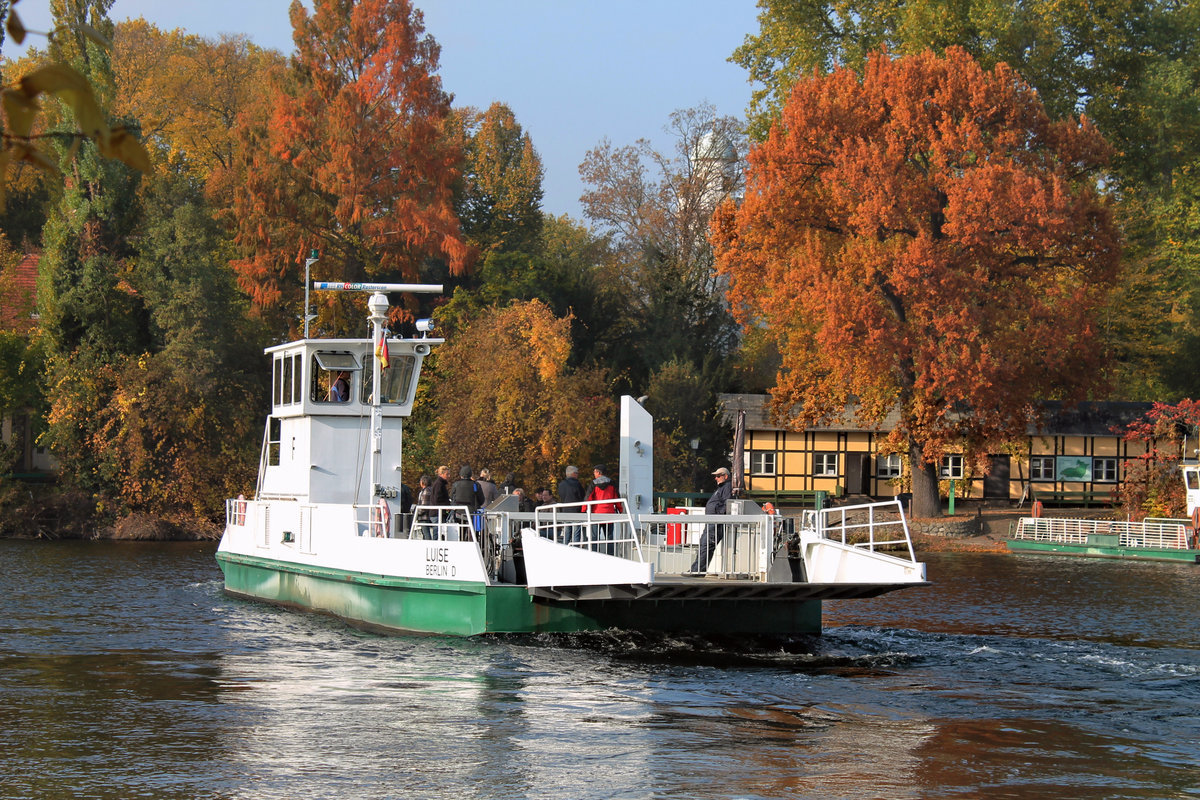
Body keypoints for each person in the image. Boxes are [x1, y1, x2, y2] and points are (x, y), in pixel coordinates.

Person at [690, 466, 733, 573]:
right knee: (704, 544)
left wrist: (718, 515)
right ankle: (696, 569)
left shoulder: (727, 487)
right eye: (715, 476)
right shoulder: (722, 487)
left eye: (718, 476)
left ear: (726, 476)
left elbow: (728, 503)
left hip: (716, 522)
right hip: (712, 522)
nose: (716, 478)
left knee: (707, 545)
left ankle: (698, 571)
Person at [585, 464, 619, 554]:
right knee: (609, 537)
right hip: (609, 514)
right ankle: (610, 556)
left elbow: (588, 498)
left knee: (594, 537)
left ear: (599, 472)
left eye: (595, 472)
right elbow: (617, 499)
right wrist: (620, 509)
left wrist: (583, 510)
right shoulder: (612, 483)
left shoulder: (594, 483)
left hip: (596, 514)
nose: (594, 474)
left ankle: (594, 555)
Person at [450, 465, 486, 541]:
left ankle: (461, 542)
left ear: (461, 474)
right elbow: (482, 500)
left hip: (458, 512)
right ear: (470, 474)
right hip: (472, 512)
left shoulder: (456, 485)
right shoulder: (475, 485)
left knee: (460, 532)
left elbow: (451, 497)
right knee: (472, 533)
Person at [557, 465, 586, 543]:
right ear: (573, 473)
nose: (577, 475)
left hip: (565, 511)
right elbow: (582, 496)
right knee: (576, 533)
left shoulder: (561, 484)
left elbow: (561, 496)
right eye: (577, 473)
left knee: (567, 532)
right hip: (576, 511)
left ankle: (565, 547)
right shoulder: (577, 484)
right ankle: (575, 548)